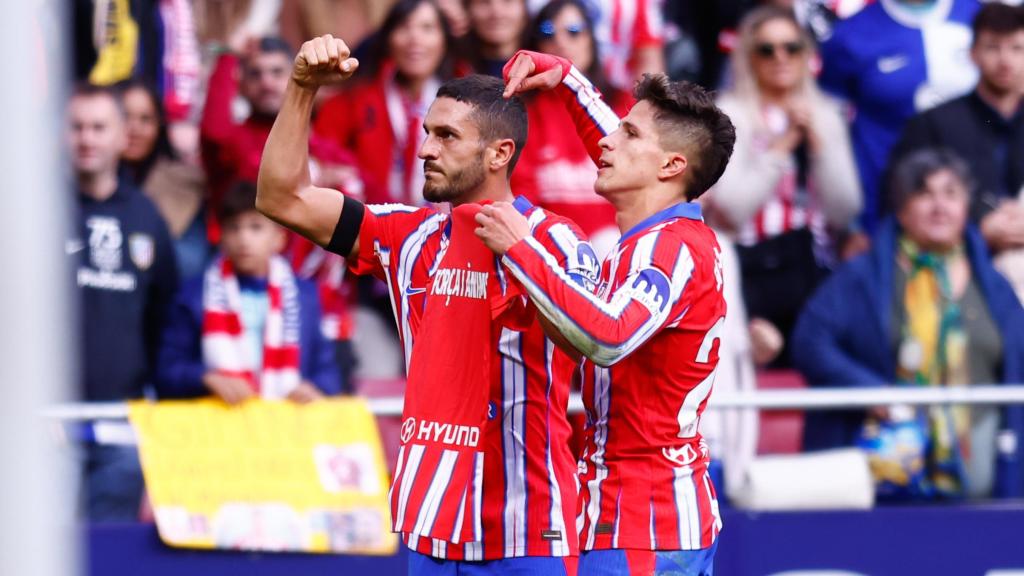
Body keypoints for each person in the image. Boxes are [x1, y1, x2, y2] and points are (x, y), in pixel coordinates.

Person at [257, 35, 601, 573]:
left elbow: (592, 343)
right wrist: (302, 89)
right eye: (425, 133)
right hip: (434, 529)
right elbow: (282, 198)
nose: (425, 150)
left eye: (446, 136)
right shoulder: (404, 236)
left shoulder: (557, 243)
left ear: (499, 153)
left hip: (530, 531)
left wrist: (519, 261)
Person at [476, 50, 735, 575]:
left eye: (629, 135)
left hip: (643, 525)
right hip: (645, 520)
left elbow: (609, 337)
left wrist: (522, 250)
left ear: (671, 167)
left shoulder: (667, 249)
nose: (607, 143)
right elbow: (621, 142)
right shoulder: (665, 237)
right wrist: (569, 81)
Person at [792, 149, 1024, 500]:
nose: (938, 206)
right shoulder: (862, 277)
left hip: (982, 466)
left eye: (950, 194)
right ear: (901, 207)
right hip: (884, 462)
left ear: (966, 207)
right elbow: (810, 341)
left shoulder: (994, 283)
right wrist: (871, 392)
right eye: (923, 193)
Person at [708, 5, 861, 367]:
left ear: (807, 55)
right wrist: (783, 145)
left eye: (791, 48)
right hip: (748, 268)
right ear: (749, 57)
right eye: (767, 49)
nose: (780, 58)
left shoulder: (826, 113)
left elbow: (845, 209)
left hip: (811, 268)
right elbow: (731, 207)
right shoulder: (726, 114)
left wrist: (819, 146)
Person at [66, 84, 179, 520]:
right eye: (76, 127)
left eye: (98, 127)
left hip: (122, 425)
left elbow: (165, 321)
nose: (87, 138)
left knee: (108, 555)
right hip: (45, 422)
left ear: (121, 136)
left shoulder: (146, 216)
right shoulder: (35, 209)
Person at [157, 181, 341, 403]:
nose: (244, 239)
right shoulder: (194, 295)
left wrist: (314, 389)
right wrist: (205, 378)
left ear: (279, 238)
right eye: (234, 227)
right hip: (219, 429)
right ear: (221, 235)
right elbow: (167, 370)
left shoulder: (305, 297)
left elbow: (328, 371)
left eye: (255, 227)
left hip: (287, 428)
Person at [819, 0, 980, 232]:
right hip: (887, 206)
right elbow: (832, 126)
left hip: (978, 202)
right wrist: (852, 225)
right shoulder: (850, 35)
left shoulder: (976, 14)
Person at [888, 3, 1024, 256]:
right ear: (972, 54)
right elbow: (902, 198)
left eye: (1017, 48)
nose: (1005, 61)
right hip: (955, 260)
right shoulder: (934, 124)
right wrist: (978, 226)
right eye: (993, 47)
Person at [512, 0, 629, 258]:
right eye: (547, 32)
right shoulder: (521, 110)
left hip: (620, 244)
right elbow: (521, 194)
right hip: (550, 248)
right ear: (536, 46)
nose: (561, 42)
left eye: (574, 30)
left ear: (592, 38)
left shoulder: (625, 104)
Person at [314, 0, 455, 206]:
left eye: (427, 28)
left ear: (444, 40)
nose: (415, 39)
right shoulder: (354, 98)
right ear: (388, 39)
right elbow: (321, 150)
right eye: (404, 27)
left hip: (443, 223)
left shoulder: (464, 100)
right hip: (369, 220)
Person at [119, 80, 210, 280]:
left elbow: (190, 264)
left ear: (159, 126)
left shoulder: (184, 186)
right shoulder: (83, 184)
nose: (134, 129)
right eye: (125, 117)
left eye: (145, 119)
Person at [461, 0, 529, 76]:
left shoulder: (543, 72)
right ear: (468, 11)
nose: (497, 14)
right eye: (484, 2)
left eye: (507, 1)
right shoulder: (451, 70)